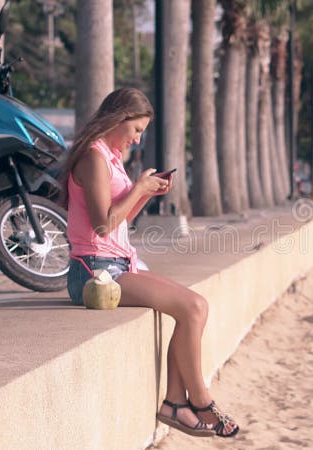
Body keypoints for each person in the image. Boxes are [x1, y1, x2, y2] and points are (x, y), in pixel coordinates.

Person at [58, 88, 239, 438]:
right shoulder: (92, 158)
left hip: (117, 265)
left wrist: (146, 193)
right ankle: (198, 400)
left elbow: (119, 223)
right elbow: (101, 225)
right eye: (136, 129)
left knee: (195, 307)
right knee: (192, 307)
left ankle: (175, 401)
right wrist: (138, 188)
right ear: (118, 118)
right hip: (94, 273)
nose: (137, 139)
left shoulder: (109, 156)